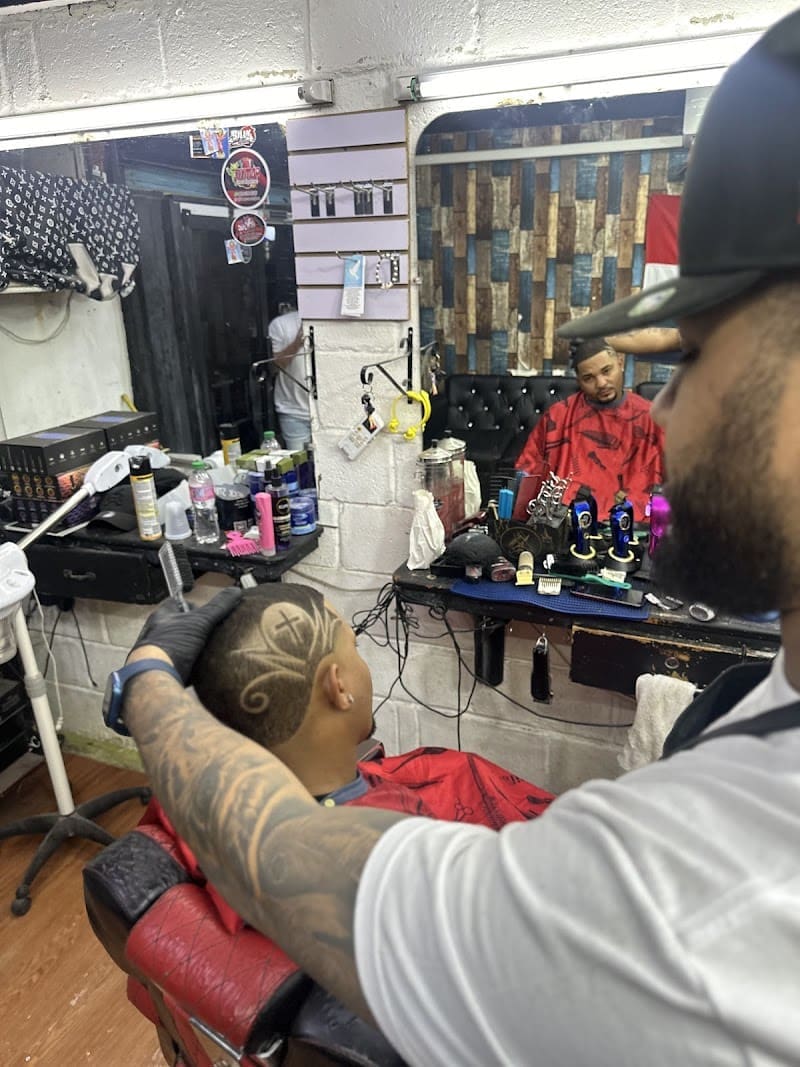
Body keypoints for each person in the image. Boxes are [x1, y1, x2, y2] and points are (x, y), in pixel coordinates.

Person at [110, 15, 800, 1065]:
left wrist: (151, 681)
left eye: (694, 353)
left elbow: (283, 856)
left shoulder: (692, 888)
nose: (661, 406)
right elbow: (522, 492)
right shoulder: (748, 726)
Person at [141, 582, 552, 933]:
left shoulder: (192, 799)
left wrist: (147, 665)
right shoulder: (403, 863)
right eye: (354, 647)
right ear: (338, 688)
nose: (361, 659)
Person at [514, 336, 665, 520]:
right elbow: (527, 470)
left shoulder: (651, 417)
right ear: (578, 380)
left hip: (632, 521)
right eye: (588, 378)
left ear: (620, 363)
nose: (601, 383)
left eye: (607, 371)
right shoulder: (559, 415)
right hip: (567, 518)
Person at [268, 308, 312, 451]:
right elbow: (274, 367)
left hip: (328, 408)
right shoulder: (280, 324)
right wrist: (297, 343)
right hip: (293, 411)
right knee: (299, 462)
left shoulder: (329, 320)